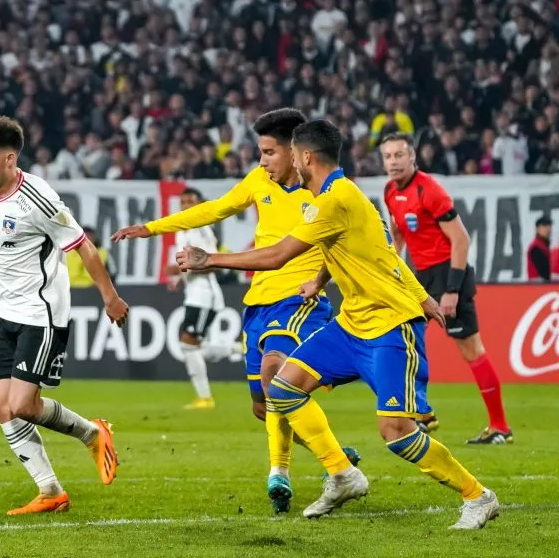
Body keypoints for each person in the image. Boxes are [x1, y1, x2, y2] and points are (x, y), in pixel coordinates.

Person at [177, 120, 499, 529]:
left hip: (389, 326)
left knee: (396, 432)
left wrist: (210, 260)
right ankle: (343, 474)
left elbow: (277, 255)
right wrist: (322, 279)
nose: (290, 162)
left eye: (292, 154)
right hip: (350, 325)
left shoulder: (334, 201)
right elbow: (375, 251)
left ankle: (478, 496)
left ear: (306, 157)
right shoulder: (340, 198)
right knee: (284, 388)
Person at [112, 108, 359, 514]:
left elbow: (332, 247)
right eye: (259, 152)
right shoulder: (260, 181)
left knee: (275, 375)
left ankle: (300, 473)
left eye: (269, 152)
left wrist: (321, 281)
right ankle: (331, 452)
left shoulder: (327, 192)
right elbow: (216, 209)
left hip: (300, 299)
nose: (262, 161)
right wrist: (153, 227)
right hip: (258, 301)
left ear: (297, 152)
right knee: (264, 406)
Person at [0, 116, 129, 515]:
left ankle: (91, 432)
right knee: (3, 407)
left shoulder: (39, 198)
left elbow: (83, 246)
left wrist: (110, 297)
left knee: (21, 405)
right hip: (4, 312)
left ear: (9, 158)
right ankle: (50, 490)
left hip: (41, 313)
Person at [381, 132, 512, 444]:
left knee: (471, 350)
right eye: (388, 157)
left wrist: (452, 290)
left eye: (399, 155)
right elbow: (399, 234)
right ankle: (423, 413)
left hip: (449, 274)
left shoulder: (430, 190)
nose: (394, 162)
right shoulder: (389, 191)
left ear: (412, 158)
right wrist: (393, 266)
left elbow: (461, 240)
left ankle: (500, 427)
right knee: (404, 337)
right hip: (420, 276)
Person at [157, 188, 240, 409]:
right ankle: (237, 349)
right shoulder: (182, 231)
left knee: (188, 345)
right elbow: (190, 267)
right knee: (196, 349)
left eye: (190, 201)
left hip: (205, 296)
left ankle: (205, 398)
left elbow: (213, 263)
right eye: (182, 202)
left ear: (200, 203)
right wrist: (180, 277)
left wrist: (179, 268)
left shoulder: (201, 228)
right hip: (194, 295)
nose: (185, 205)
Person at [528, 216, 553, 281]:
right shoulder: (536, 247)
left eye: (549, 225)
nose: (548, 228)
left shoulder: (544, 246)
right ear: (537, 229)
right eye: (544, 225)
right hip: (538, 286)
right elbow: (545, 273)